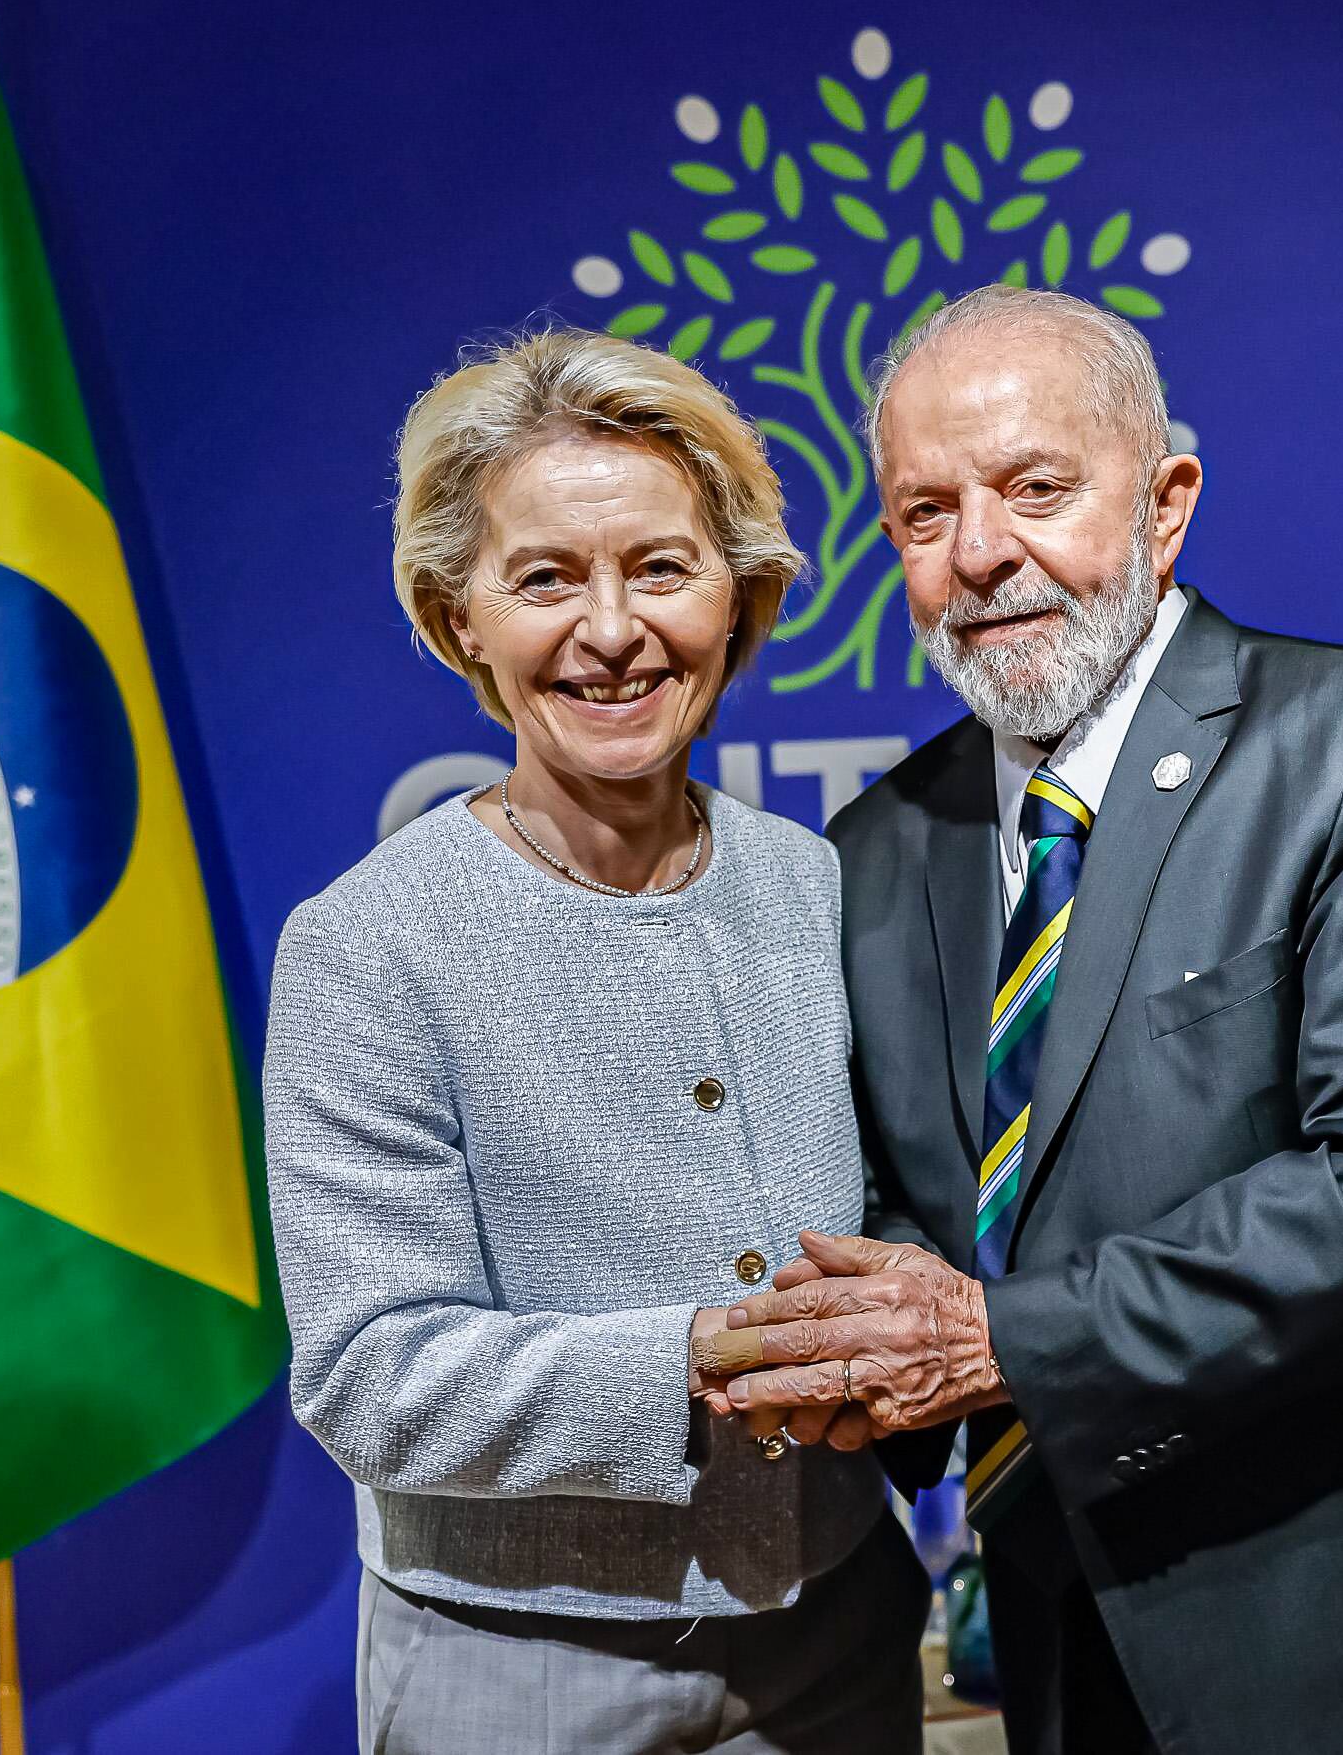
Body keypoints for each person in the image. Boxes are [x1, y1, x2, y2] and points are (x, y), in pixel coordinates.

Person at [705, 287, 1343, 1754]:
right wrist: (849, 1374)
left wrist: (997, 1342)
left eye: (1037, 489)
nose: (983, 553)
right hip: (1078, 1629)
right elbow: (921, 1229)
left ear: (1167, 502)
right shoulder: (874, 849)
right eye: (927, 515)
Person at [262, 329, 925, 1755]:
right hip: (517, 1667)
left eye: (662, 569)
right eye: (546, 577)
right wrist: (696, 1357)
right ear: (461, 622)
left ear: (737, 602)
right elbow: (368, 1373)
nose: (612, 630)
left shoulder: (823, 887)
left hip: (845, 1631)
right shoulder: (367, 947)